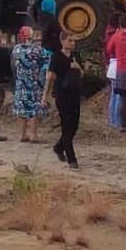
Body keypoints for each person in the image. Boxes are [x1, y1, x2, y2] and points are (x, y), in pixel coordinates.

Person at [45, 32, 82, 167]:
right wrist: (45, 96)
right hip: (62, 95)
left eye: (74, 41)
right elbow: (50, 77)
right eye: (70, 41)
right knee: (66, 126)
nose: (72, 43)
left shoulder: (75, 56)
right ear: (63, 41)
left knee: (74, 125)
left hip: (75, 94)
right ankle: (72, 158)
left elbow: (81, 74)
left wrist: (77, 68)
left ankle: (59, 147)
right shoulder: (56, 57)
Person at [9, 25, 50, 140]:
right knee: (34, 108)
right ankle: (33, 134)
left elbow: (14, 64)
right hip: (35, 83)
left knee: (21, 108)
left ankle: (22, 134)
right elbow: (47, 64)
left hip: (21, 83)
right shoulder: (39, 50)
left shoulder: (16, 49)